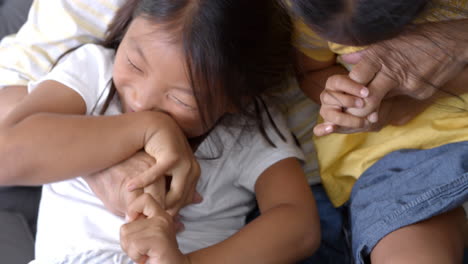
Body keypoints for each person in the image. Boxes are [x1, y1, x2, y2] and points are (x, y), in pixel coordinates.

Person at [0, 0, 320, 264]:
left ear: (238, 98)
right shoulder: (93, 73)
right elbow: (6, 152)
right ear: (128, 25)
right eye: (135, 64)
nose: (140, 99)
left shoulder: (247, 128)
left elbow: (298, 224)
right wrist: (147, 128)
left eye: (181, 98)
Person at [286, 0, 468, 263]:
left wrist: (428, 90)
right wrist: (340, 95)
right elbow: (314, 71)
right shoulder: (312, 10)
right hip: (395, 158)